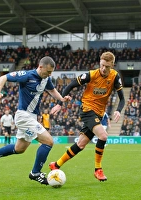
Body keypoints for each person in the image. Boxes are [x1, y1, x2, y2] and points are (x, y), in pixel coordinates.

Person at [0, 56, 71, 185]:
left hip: (32, 117)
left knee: (20, 149)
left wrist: (62, 99)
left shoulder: (46, 78)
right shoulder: (27, 75)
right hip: (24, 116)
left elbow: (52, 90)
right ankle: (35, 173)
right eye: (48, 72)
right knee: (48, 142)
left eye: (51, 72)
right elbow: (3, 78)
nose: (49, 74)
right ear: (40, 67)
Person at [49, 51, 125, 181]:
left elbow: (122, 98)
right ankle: (98, 169)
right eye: (102, 65)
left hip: (99, 113)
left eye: (107, 66)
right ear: (99, 63)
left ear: (112, 65)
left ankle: (56, 164)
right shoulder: (91, 75)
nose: (103, 69)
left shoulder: (115, 77)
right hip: (87, 109)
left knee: (81, 144)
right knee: (103, 135)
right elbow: (71, 84)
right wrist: (60, 103)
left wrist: (118, 110)